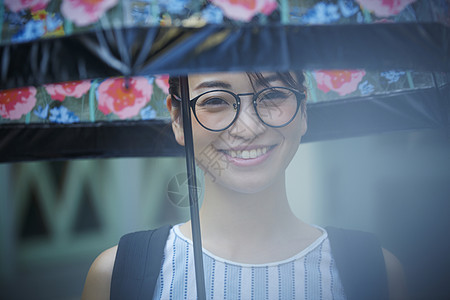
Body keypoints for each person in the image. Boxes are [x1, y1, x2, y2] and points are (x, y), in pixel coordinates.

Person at [81, 71, 407, 299]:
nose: (248, 127)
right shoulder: (117, 276)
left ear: (304, 109)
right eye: (215, 100)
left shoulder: (375, 273)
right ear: (178, 119)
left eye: (274, 95)